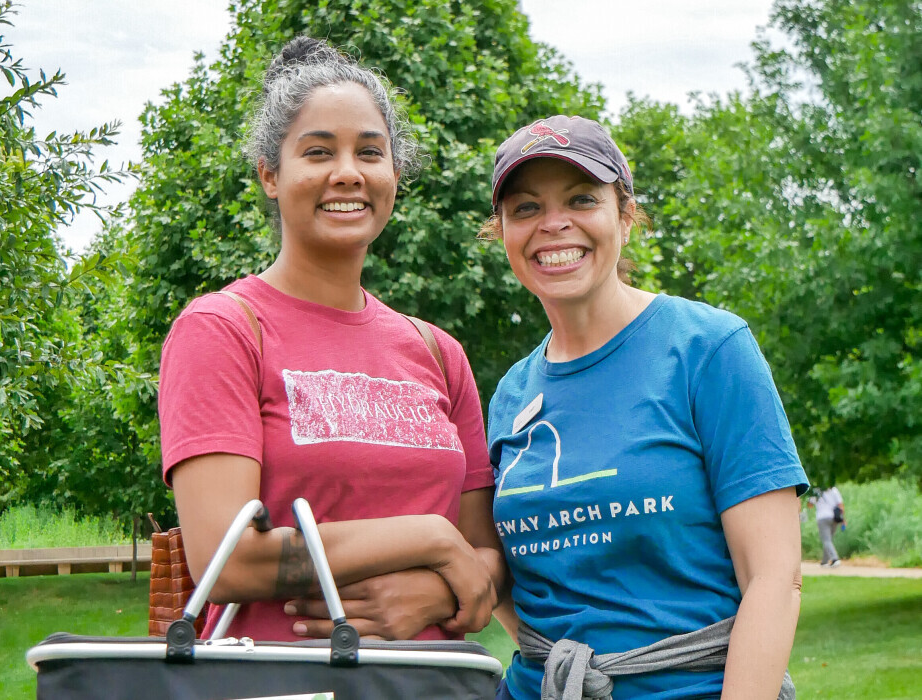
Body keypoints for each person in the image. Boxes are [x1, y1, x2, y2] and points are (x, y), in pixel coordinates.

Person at [158, 36, 503, 643]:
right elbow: (225, 560)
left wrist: (435, 589)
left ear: (394, 173)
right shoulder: (224, 330)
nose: (348, 173)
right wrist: (430, 539)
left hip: (435, 686)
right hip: (278, 684)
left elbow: (487, 559)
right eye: (318, 152)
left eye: (370, 152)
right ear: (270, 174)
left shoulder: (437, 353)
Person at [480, 115, 810, 699]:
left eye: (581, 199)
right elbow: (511, 587)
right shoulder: (510, 393)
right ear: (501, 231)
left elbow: (773, 579)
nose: (553, 225)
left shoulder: (708, 350)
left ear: (625, 216)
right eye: (526, 208)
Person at [808, 486, 845, 566]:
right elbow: (840, 504)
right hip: (834, 517)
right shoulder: (834, 489)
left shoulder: (816, 490)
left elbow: (810, 505)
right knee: (829, 540)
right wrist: (843, 519)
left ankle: (835, 558)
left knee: (826, 540)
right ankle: (825, 561)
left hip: (822, 517)